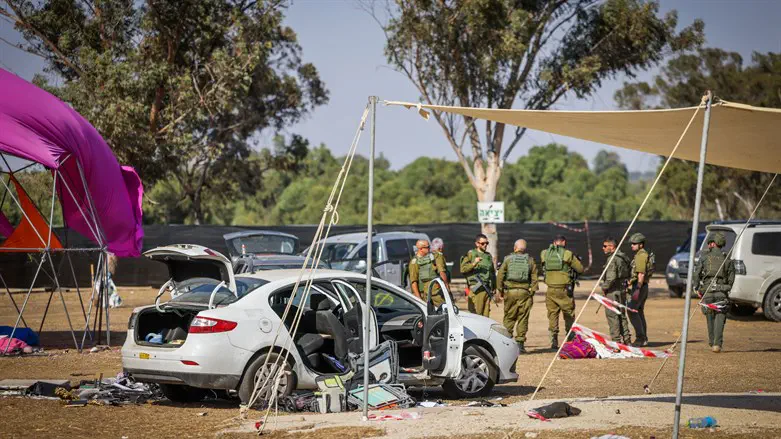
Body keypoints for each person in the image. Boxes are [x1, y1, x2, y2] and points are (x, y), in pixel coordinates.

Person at [693, 232, 735, 353]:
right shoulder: (728, 260)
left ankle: (712, 341)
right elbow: (731, 281)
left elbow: (696, 275)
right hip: (721, 293)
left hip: (707, 292)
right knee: (720, 318)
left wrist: (696, 287)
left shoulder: (704, 257)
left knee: (709, 316)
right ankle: (717, 344)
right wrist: (724, 287)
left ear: (712, 244)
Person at [540, 235, 583, 349]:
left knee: (552, 315)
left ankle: (553, 342)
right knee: (568, 314)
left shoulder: (544, 253)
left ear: (554, 242)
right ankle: (570, 340)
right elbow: (580, 269)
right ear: (563, 242)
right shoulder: (568, 254)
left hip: (550, 290)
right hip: (564, 290)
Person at [497, 239, 538, 353]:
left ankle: (506, 342)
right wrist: (531, 293)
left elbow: (500, 275)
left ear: (515, 248)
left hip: (510, 292)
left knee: (509, 317)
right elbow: (535, 279)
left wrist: (500, 291)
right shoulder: (530, 261)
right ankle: (520, 344)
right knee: (523, 318)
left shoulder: (508, 259)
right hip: (524, 292)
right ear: (524, 249)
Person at [600, 237, 632, 345]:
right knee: (622, 315)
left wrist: (604, 287)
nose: (603, 248)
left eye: (605, 246)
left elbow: (611, 277)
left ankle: (616, 343)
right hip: (622, 290)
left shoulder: (613, 259)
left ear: (612, 247)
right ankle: (627, 340)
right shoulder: (623, 257)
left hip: (613, 291)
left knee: (612, 316)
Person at [460, 234, 496, 317]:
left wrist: (494, 287)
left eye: (487, 243)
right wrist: (474, 263)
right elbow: (463, 269)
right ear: (477, 244)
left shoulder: (488, 256)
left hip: (487, 289)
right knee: (477, 315)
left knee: (486, 316)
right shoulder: (471, 254)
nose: (485, 245)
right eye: (483, 243)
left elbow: (492, 272)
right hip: (476, 289)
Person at [408, 239, 448, 308]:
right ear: (420, 249)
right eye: (427, 247)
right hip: (424, 296)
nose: (429, 249)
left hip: (436, 293)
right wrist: (419, 300)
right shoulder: (414, 262)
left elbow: (442, 272)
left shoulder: (432, 257)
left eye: (429, 246)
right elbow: (413, 282)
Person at [628, 232, 651, 347]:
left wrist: (637, 289)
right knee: (638, 311)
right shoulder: (641, 254)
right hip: (642, 286)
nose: (632, 245)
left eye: (634, 244)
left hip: (640, 286)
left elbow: (641, 274)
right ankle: (644, 338)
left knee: (632, 310)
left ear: (641, 245)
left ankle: (640, 338)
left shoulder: (641, 255)